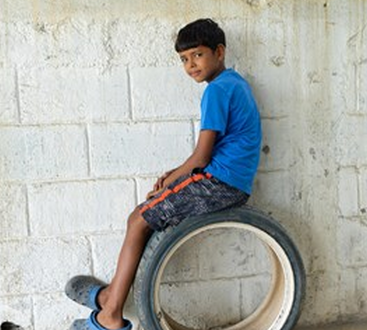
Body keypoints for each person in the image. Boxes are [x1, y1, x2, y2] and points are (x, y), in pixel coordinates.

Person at [66, 18, 262, 330]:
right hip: (227, 179)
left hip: (220, 184)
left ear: (219, 52)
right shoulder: (235, 82)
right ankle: (110, 299)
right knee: (144, 216)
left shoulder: (216, 92)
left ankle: (110, 315)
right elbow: (207, 155)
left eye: (197, 55)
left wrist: (170, 182)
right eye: (184, 59)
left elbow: (202, 156)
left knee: (138, 219)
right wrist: (175, 175)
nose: (190, 65)